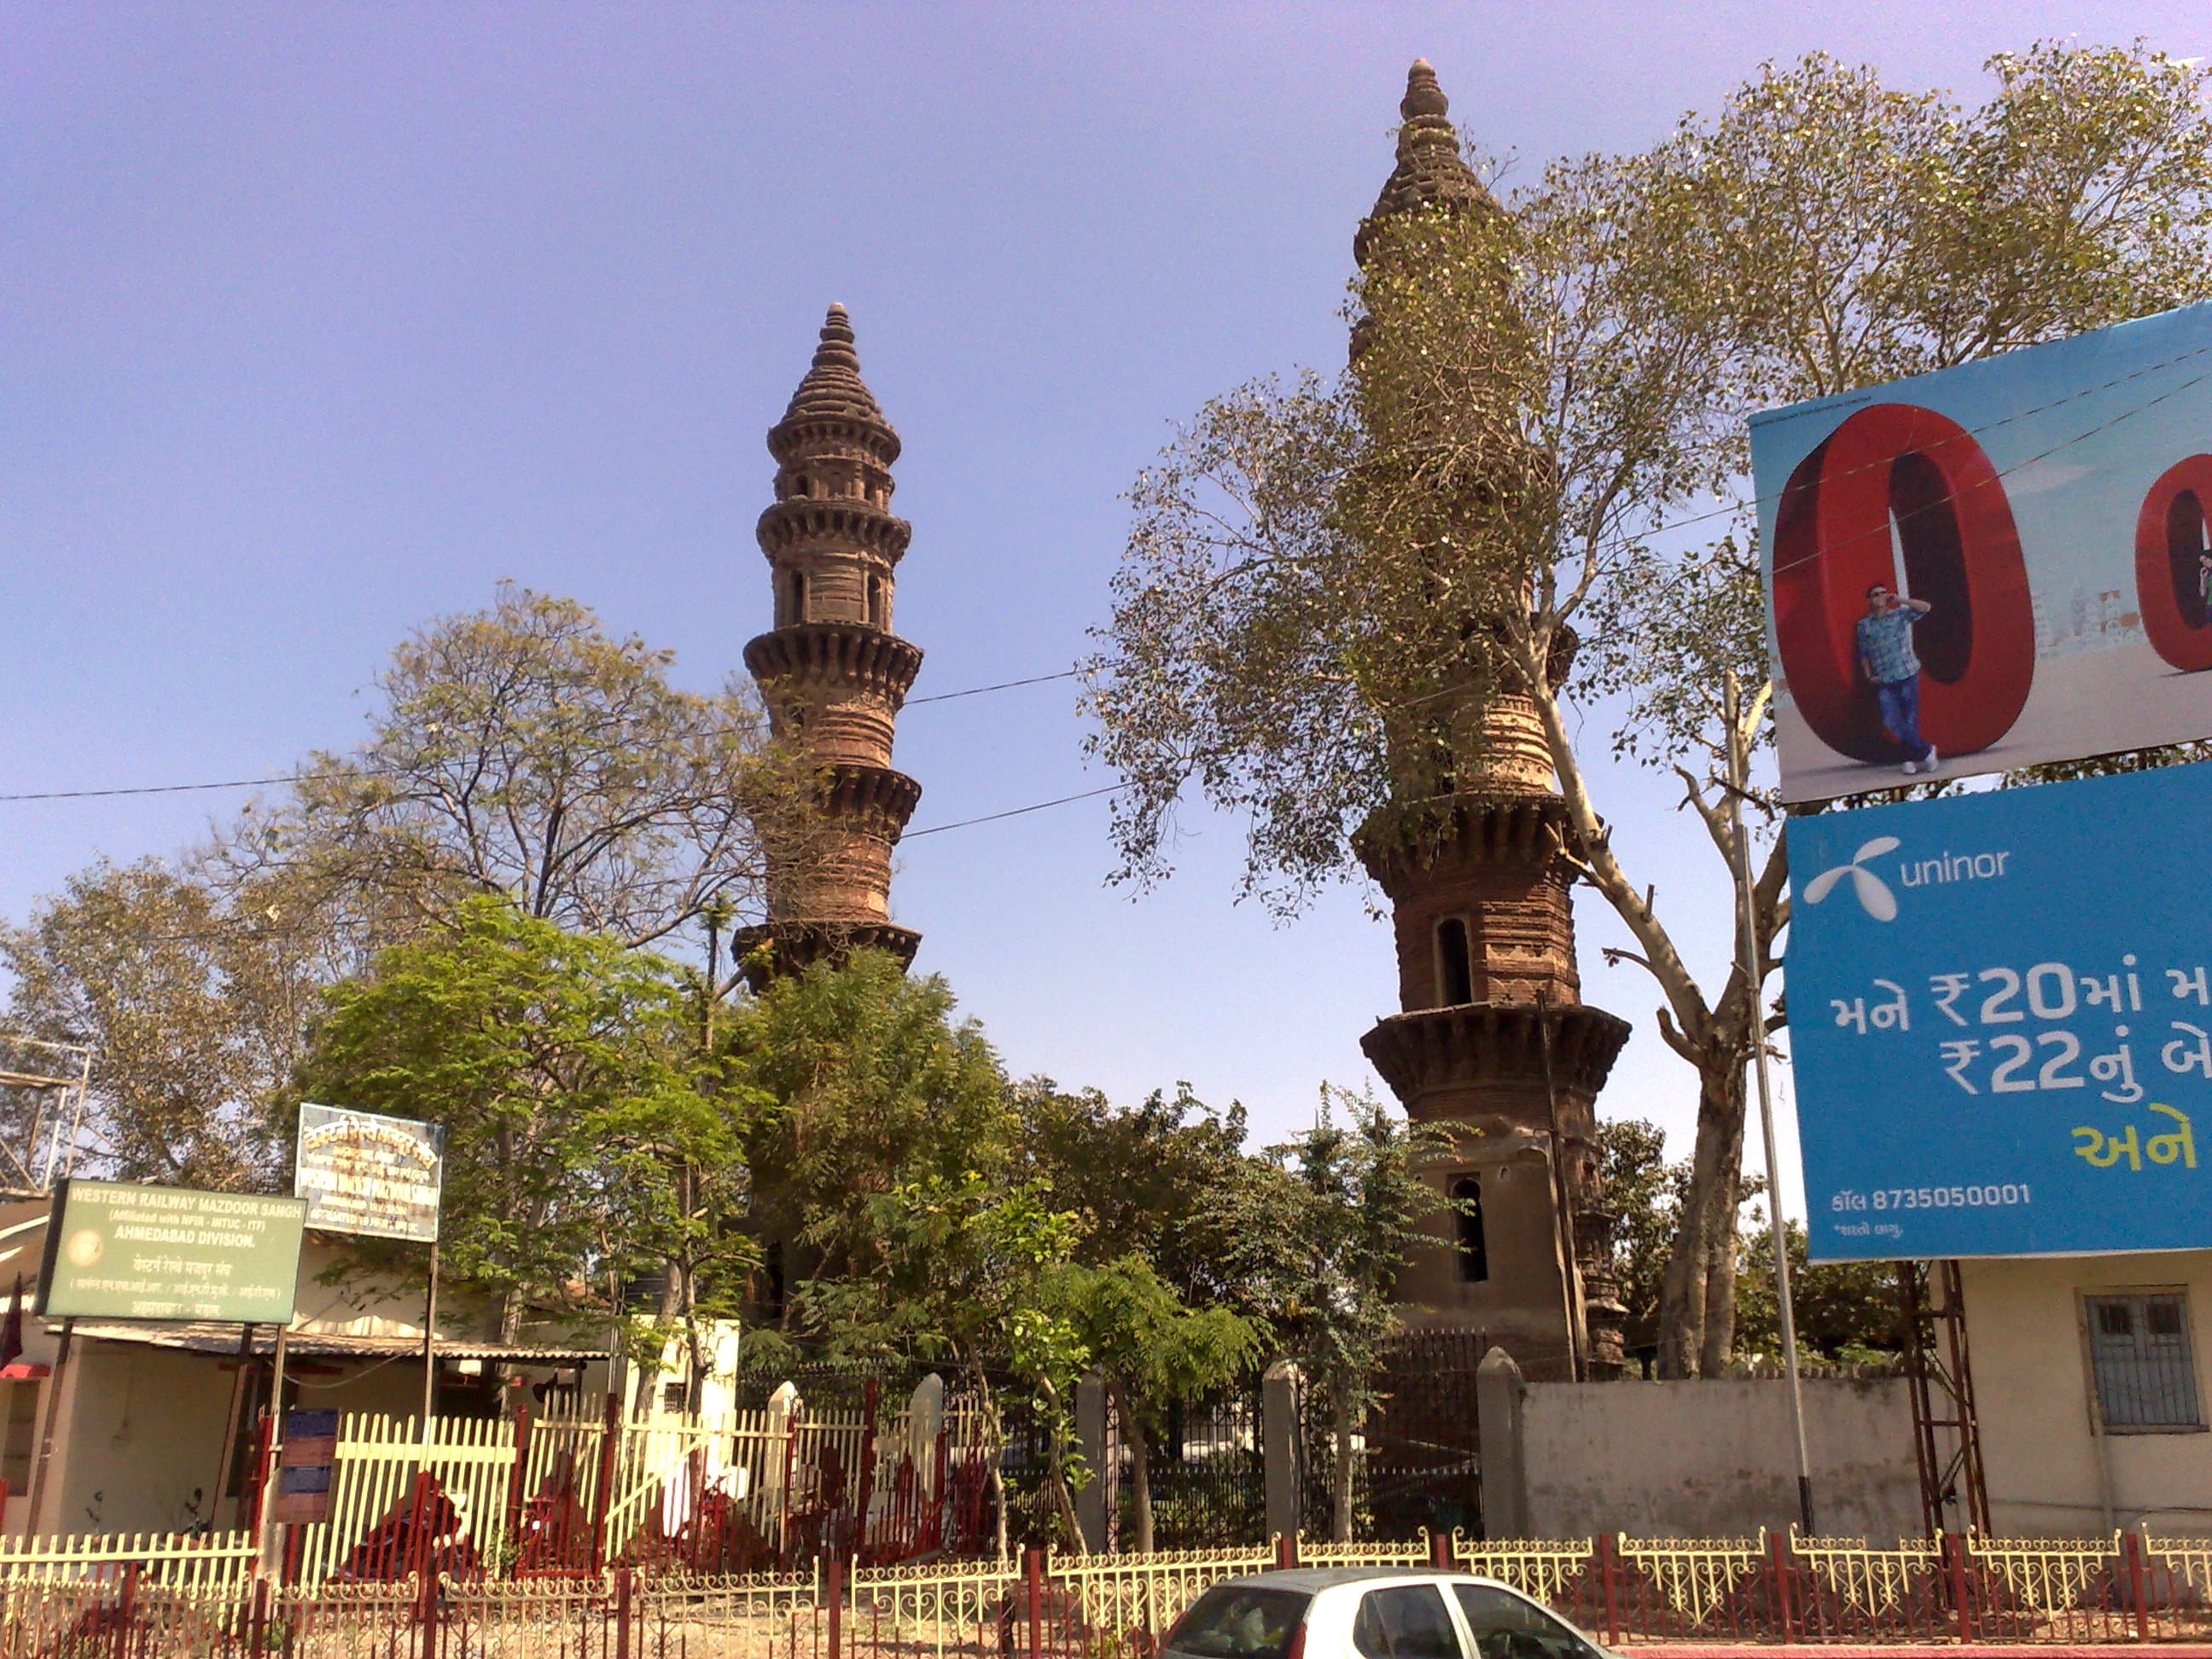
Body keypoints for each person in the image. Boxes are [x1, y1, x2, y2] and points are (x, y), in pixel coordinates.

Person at [1856, 582, 1936, 775]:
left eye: (1883, 593)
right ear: (1869, 600)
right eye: (1875, 594)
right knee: (1890, 719)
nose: (1880, 597)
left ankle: (1907, 758)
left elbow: (1926, 608)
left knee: (1909, 719)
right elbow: (1863, 653)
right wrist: (1868, 675)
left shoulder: (1899, 615)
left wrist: (1900, 600)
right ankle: (1926, 751)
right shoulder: (1864, 625)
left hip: (1907, 673)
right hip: (1885, 679)